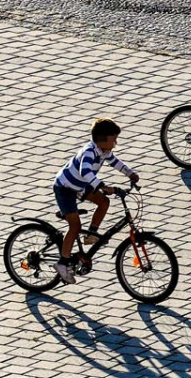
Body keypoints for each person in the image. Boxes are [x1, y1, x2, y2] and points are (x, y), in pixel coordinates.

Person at [52, 118, 140, 284]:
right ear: (102, 139)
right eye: (113, 138)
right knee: (75, 226)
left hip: (80, 186)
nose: (116, 142)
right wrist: (102, 186)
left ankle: (91, 236)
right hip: (65, 188)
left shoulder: (104, 151)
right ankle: (62, 263)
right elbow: (85, 171)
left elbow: (116, 163)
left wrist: (130, 173)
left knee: (104, 202)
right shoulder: (89, 152)